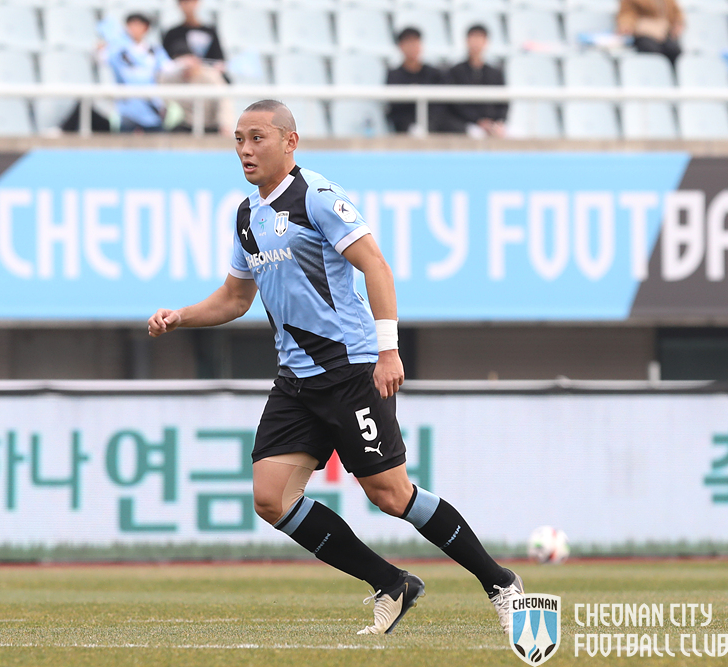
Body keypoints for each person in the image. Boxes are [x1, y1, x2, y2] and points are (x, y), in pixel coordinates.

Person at [147, 99, 524, 636]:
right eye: (238, 140)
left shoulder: (317, 197)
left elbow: (376, 265)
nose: (245, 150)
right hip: (295, 380)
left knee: (391, 495)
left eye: (257, 138)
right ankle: (391, 583)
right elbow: (234, 298)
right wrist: (179, 316)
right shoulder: (246, 216)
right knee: (271, 498)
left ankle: (500, 582)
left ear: (290, 141)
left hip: (349, 370)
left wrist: (388, 351)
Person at [160, 0, 233, 134]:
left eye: (191, 2)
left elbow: (219, 61)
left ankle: (221, 127)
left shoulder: (209, 31)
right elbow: (164, 62)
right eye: (184, 2)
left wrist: (200, 66)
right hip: (181, 80)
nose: (188, 6)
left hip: (205, 77)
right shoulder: (172, 33)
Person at [107, 13, 174, 133]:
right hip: (128, 110)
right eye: (131, 25)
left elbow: (169, 68)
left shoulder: (155, 51)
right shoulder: (118, 50)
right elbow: (102, 57)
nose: (134, 29)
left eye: (138, 25)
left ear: (146, 28)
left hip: (152, 110)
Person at [444, 25, 508, 138]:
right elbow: (456, 104)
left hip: (493, 124)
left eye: (480, 38)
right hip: (467, 124)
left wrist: (498, 121)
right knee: (475, 134)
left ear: (486, 42)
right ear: (467, 41)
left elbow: (503, 102)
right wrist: (478, 121)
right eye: (473, 38)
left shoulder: (495, 73)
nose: (476, 43)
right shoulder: (455, 72)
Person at [385, 27, 446, 134]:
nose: (412, 47)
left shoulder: (434, 74)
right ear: (400, 46)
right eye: (408, 43)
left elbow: (439, 106)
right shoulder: (394, 75)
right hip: (405, 130)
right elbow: (395, 109)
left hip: (434, 128)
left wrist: (430, 126)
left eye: (415, 42)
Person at [617, 0, 684, 66]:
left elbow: (676, 12)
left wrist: (676, 24)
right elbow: (627, 13)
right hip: (644, 34)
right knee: (653, 51)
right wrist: (628, 25)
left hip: (664, 33)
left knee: (674, 50)